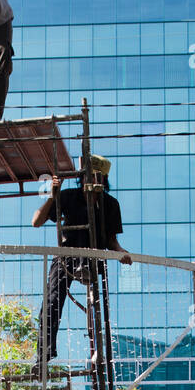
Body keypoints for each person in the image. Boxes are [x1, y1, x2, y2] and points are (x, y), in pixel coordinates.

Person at [31, 155, 131, 370]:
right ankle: (43, 356)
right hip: (66, 255)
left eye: (96, 176)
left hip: (93, 258)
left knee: (98, 307)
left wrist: (122, 253)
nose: (91, 180)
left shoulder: (110, 204)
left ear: (103, 179)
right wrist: (52, 195)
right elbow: (36, 222)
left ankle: (99, 355)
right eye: (87, 175)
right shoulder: (69, 196)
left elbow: (112, 239)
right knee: (51, 303)